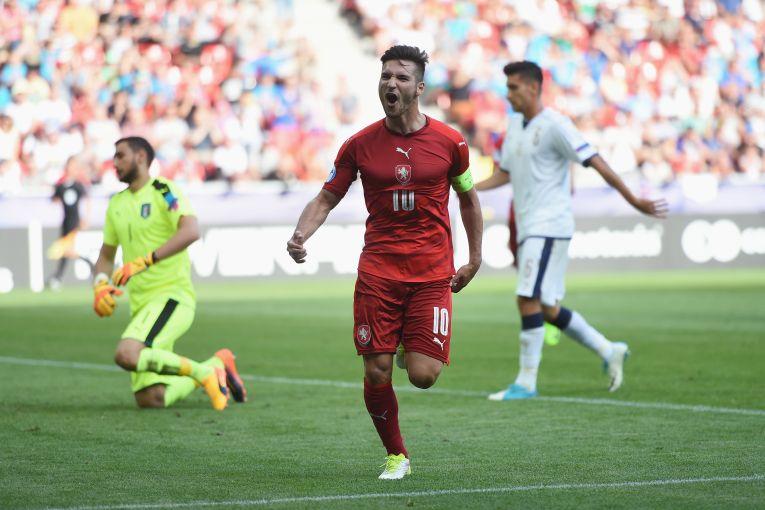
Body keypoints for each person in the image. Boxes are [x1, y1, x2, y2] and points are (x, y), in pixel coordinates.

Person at [286, 45, 483, 480]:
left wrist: (475, 258)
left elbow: (469, 199)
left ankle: (404, 347)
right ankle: (397, 455)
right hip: (379, 273)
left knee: (423, 376)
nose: (391, 84)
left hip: (433, 274)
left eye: (401, 78)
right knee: (376, 370)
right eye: (385, 77)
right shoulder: (358, 145)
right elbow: (326, 197)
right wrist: (301, 234)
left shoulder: (452, 143)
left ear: (419, 88)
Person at [476, 61, 668, 400]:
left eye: (514, 88)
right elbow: (505, 172)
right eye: (507, 88)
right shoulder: (514, 124)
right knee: (547, 307)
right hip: (530, 226)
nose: (508, 95)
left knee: (526, 298)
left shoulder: (555, 125)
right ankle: (609, 349)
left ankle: (526, 382)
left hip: (547, 225)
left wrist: (634, 200)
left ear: (534, 88)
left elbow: (595, 161)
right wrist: (467, 188)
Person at [92, 136, 247, 410]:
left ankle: (203, 373)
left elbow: (190, 231)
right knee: (151, 399)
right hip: (141, 306)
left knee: (127, 353)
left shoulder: (164, 190)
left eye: (121, 156)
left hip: (171, 297)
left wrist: (145, 261)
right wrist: (100, 284)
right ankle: (215, 364)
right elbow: (106, 256)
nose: (115, 163)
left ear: (141, 157)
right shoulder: (116, 203)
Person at [47, 156, 90, 290]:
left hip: (75, 222)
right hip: (65, 222)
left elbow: (87, 201)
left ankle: (57, 277)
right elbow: (54, 199)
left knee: (67, 250)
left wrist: (85, 218)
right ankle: (58, 277)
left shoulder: (78, 185)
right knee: (69, 251)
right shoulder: (61, 186)